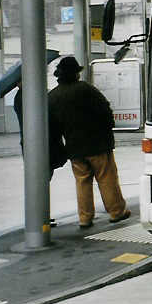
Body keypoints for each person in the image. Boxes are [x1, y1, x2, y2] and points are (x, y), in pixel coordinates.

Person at [48, 56, 130, 229]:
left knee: (82, 181)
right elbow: (104, 109)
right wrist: (109, 127)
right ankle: (116, 212)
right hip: (98, 144)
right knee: (106, 177)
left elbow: (53, 126)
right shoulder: (85, 89)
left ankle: (85, 218)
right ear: (76, 74)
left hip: (74, 148)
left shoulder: (52, 96)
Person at [13, 80, 68, 227]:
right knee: (40, 181)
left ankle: (41, 215)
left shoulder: (22, 97)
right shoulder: (28, 97)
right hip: (39, 145)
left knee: (41, 180)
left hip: (36, 144)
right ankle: (39, 217)